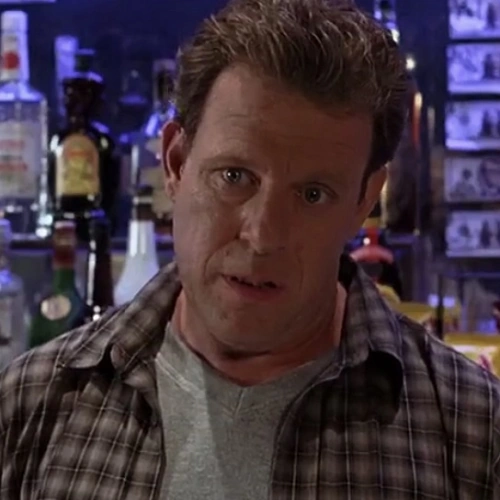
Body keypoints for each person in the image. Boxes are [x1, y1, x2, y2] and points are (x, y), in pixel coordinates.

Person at [1, 0, 500, 498]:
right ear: (175, 163)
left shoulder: (474, 434)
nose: (262, 236)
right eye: (234, 177)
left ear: (364, 201)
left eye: (312, 195)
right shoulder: (30, 404)